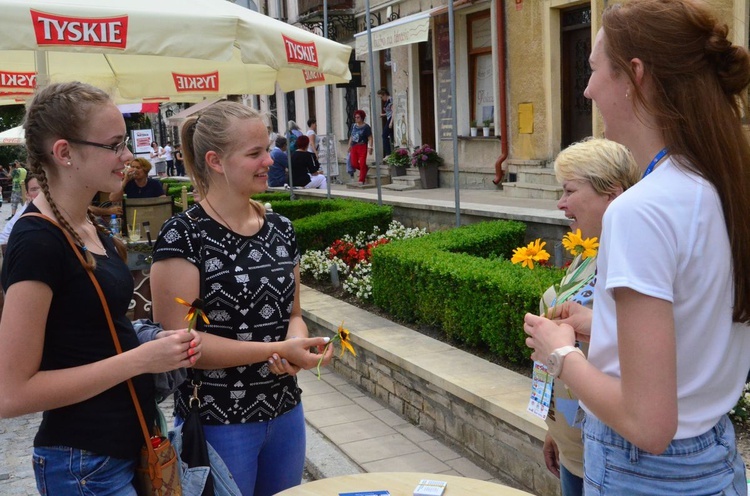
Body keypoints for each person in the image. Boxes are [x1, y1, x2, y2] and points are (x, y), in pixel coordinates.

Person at [523, 1, 750, 493]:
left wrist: (559, 353)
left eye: (593, 68)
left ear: (635, 76)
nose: (587, 90)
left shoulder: (641, 209)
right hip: (712, 458)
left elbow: (649, 424)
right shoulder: (718, 186)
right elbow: (696, 328)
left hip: (647, 473)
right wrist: (601, 326)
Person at [0, 81, 202, 494]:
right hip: (84, 464)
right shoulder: (38, 241)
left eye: (125, 142)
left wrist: (152, 342)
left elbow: (90, 335)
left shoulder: (87, 225)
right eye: (114, 145)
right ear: (64, 153)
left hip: (122, 448)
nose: (127, 156)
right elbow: (12, 393)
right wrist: (141, 359)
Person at [149, 101, 334, 496]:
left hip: (285, 411)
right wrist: (281, 347)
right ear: (215, 161)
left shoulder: (281, 228)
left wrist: (295, 346)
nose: (269, 160)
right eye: (255, 153)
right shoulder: (183, 236)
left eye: (266, 149)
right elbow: (180, 345)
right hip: (218, 421)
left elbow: (294, 312)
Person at [539, 138, 639, 496]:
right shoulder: (585, 256)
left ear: (611, 195)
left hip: (607, 450)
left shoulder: (632, 263)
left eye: (569, 190)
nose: (561, 203)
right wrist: (555, 430)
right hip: (574, 446)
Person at [0, 173, 42, 245]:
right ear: (27, 194)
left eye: (42, 188)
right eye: (34, 189)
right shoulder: (26, 213)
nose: (39, 193)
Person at [347, 110, 373, 186]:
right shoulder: (353, 126)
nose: (356, 119)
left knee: (362, 163)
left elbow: (370, 138)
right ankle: (365, 169)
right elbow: (351, 136)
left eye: (358, 117)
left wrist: (370, 147)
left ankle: (361, 180)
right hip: (354, 146)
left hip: (362, 146)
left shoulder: (366, 127)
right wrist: (349, 146)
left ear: (362, 118)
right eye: (355, 117)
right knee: (353, 163)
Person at [377, 88, 394, 157]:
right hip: (389, 118)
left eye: (381, 97)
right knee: (392, 137)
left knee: (384, 135)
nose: (381, 99)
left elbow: (393, 111)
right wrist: (383, 115)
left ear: (385, 94)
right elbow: (389, 112)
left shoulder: (390, 100)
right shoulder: (387, 101)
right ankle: (394, 153)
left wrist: (391, 122)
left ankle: (388, 153)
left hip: (391, 119)